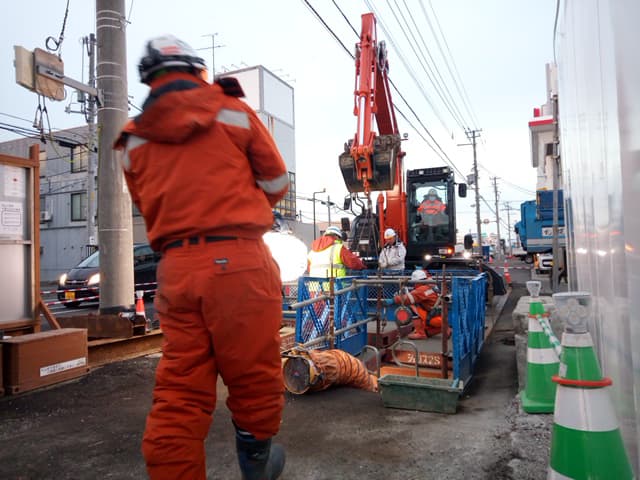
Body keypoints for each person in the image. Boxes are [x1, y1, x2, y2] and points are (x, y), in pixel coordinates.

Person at [114, 35, 288, 480]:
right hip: (240, 260)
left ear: (149, 80)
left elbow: (146, 204)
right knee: (253, 373)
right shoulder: (232, 110)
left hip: (176, 269)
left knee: (180, 387)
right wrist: (241, 206)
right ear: (197, 71)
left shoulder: (133, 140)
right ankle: (256, 462)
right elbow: (276, 182)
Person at [384, 269, 443, 339]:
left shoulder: (423, 289)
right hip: (441, 317)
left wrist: (393, 300)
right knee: (427, 331)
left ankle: (420, 333)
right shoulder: (431, 285)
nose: (414, 284)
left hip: (433, 318)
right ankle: (443, 329)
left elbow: (408, 299)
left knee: (412, 307)